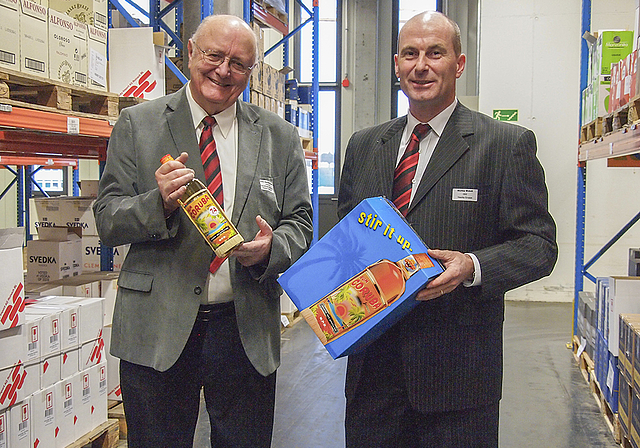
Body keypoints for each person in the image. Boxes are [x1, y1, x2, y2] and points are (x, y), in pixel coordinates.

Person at [337, 11, 557, 448]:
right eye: (410, 54)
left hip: (457, 378)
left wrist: (472, 265)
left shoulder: (505, 145)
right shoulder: (364, 145)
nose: (421, 65)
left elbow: (539, 245)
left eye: (435, 53)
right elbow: (347, 240)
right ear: (397, 64)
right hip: (372, 375)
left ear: (458, 63)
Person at [93, 14, 312, 448]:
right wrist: (158, 204)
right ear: (191, 52)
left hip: (243, 329)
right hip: (157, 327)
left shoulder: (280, 137)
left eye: (238, 63)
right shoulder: (138, 124)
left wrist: (271, 249)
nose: (223, 70)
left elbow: (300, 223)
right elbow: (108, 218)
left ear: (251, 72)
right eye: (214, 55)